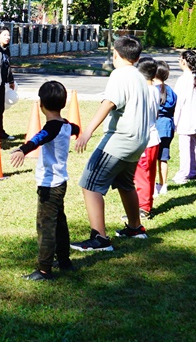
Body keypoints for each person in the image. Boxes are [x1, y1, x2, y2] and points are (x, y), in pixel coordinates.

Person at [71, 35, 153, 253]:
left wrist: (87, 132)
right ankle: (135, 228)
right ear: (137, 57)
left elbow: (109, 103)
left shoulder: (119, 74)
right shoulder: (139, 76)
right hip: (138, 141)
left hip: (120, 140)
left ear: (115, 54)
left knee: (89, 184)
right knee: (125, 184)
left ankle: (100, 238)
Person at [10, 80, 80, 281]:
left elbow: (38, 138)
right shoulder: (66, 125)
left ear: (41, 104)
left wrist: (22, 150)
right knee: (60, 223)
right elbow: (76, 128)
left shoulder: (52, 127)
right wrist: (78, 133)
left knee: (46, 226)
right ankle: (64, 261)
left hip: (49, 186)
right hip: (61, 183)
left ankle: (44, 270)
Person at [133, 57, 162, 219]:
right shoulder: (155, 90)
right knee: (149, 175)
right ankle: (147, 204)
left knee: (142, 176)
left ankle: (143, 208)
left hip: (145, 139)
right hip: (154, 138)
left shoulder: (143, 92)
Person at [172, 50, 196, 185]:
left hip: (184, 117)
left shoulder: (183, 80)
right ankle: (192, 170)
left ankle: (183, 173)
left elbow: (178, 102)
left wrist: (174, 120)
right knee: (192, 145)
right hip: (194, 117)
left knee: (184, 147)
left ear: (184, 62)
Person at [153, 61, 177, 197]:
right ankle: (163, 185)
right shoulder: (170, 91)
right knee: (163, 158)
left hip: (156, 127)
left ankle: (152, 185)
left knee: (152, 158)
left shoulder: (153, 90)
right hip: (168, 127)